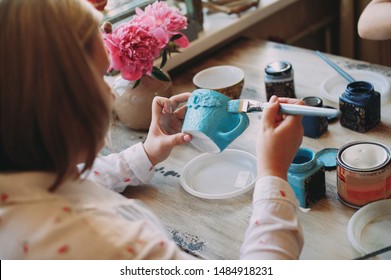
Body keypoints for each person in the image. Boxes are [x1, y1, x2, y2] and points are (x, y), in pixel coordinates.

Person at [0, 0, 304, 259]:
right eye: (101, 76)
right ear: (55, 101)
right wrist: (273, 175)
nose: (110, 94)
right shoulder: (111, 245)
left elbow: (81, 175)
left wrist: (146, 153)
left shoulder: (22, 185)